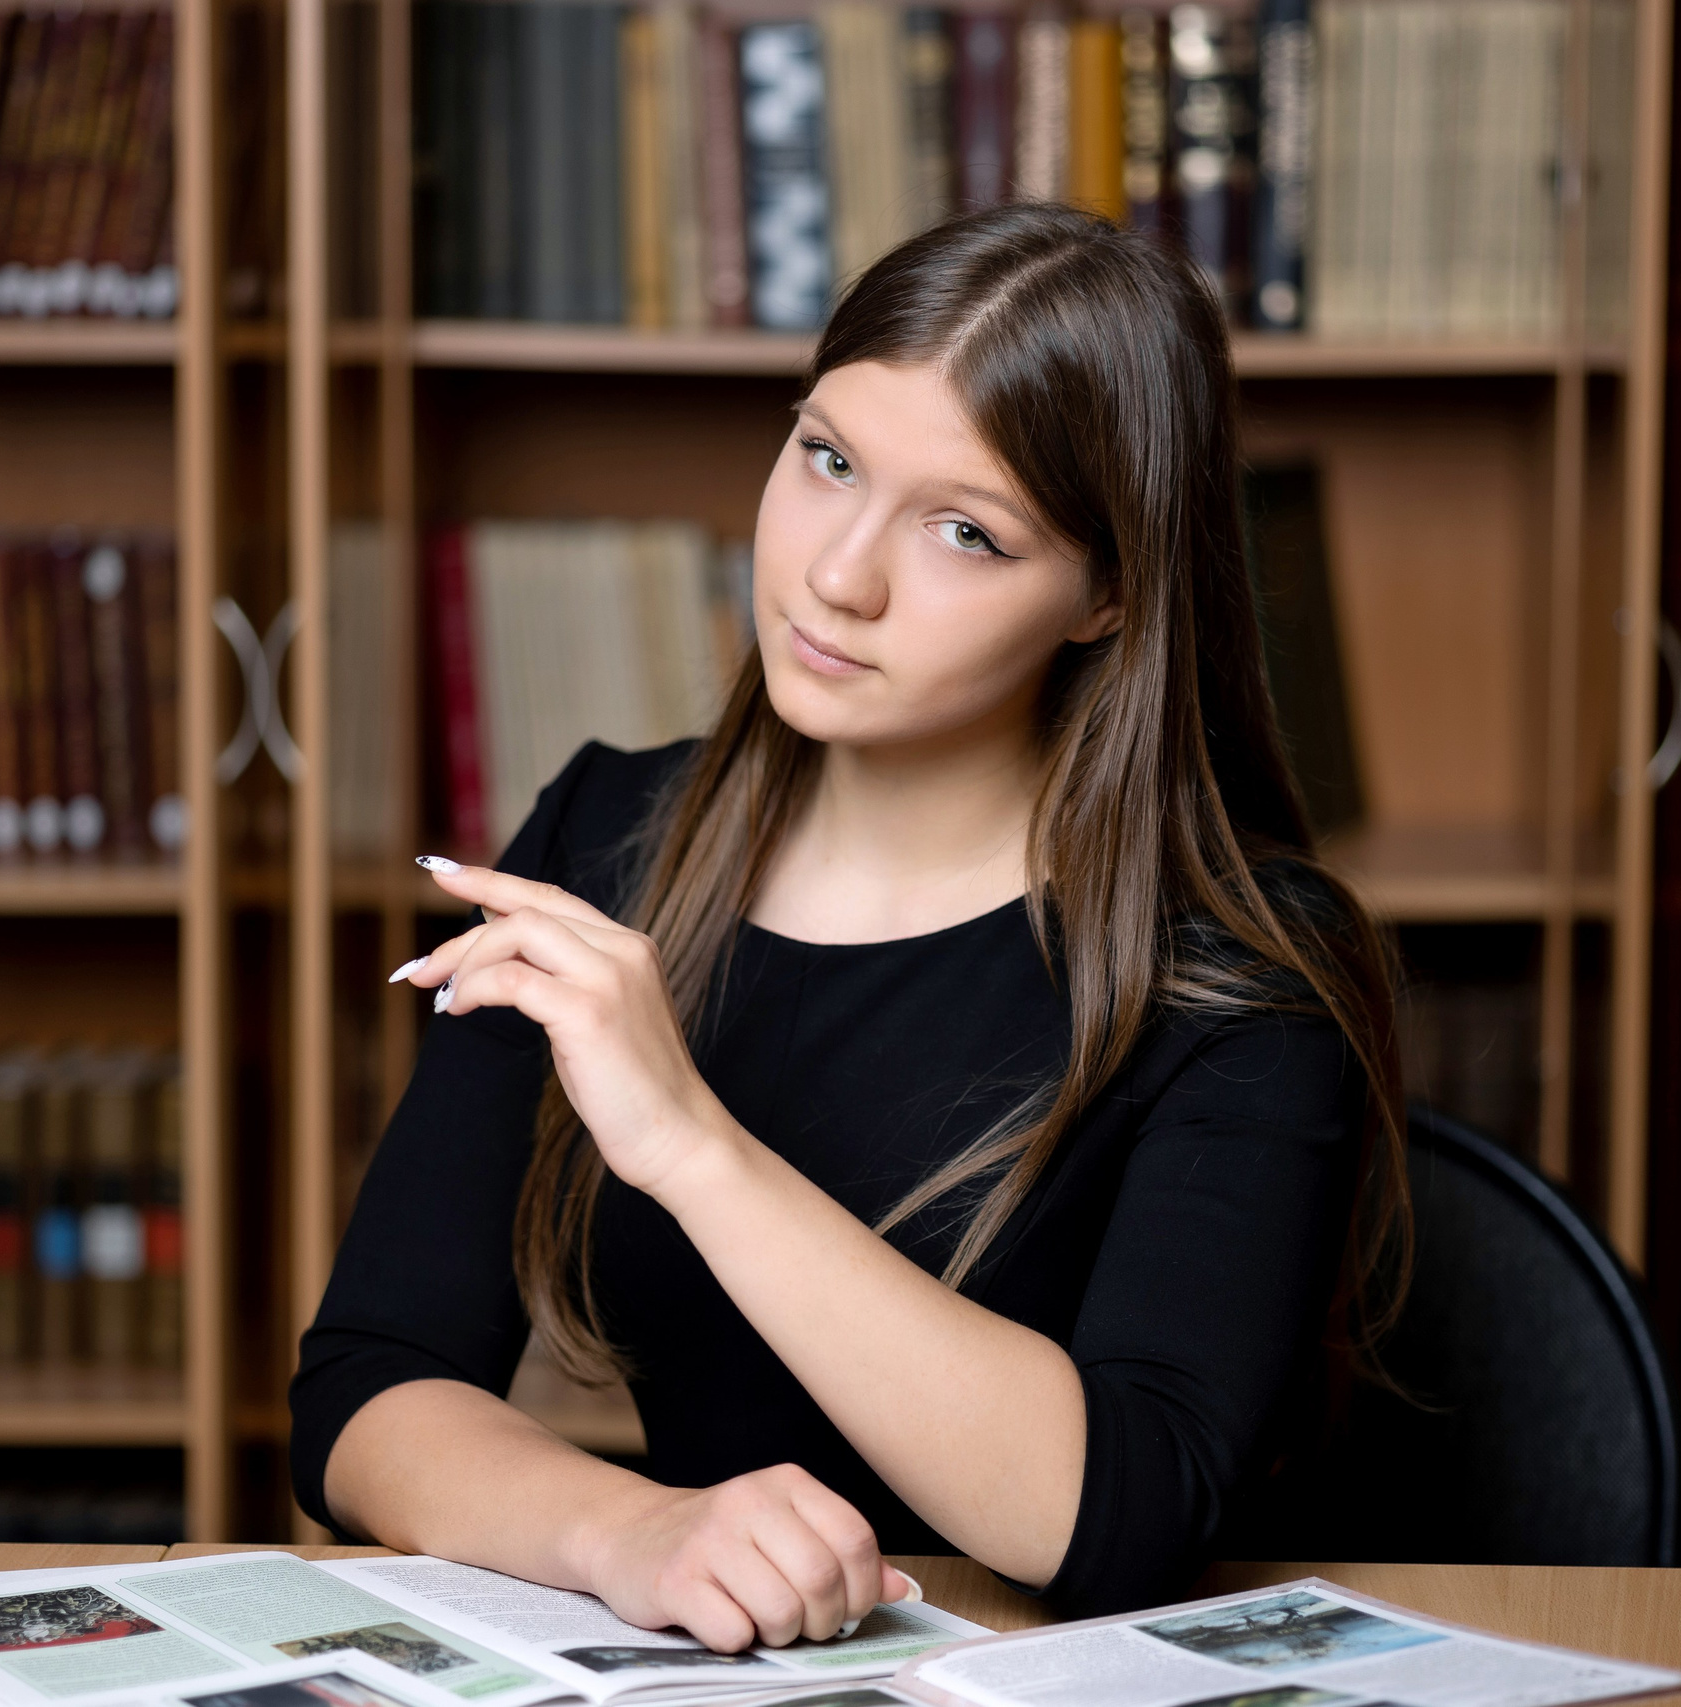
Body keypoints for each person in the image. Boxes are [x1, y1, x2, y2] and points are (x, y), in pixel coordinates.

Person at [290, 202, 1405, 1648]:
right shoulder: (609, 839)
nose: (837, 575)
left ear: (1110, 594)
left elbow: (1125, 1514)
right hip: (719, 1665)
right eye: (826, 458)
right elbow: (365, 1389)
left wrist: (691, 1144)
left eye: (965, 532)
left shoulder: (1242, 967)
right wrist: (635, 1531)